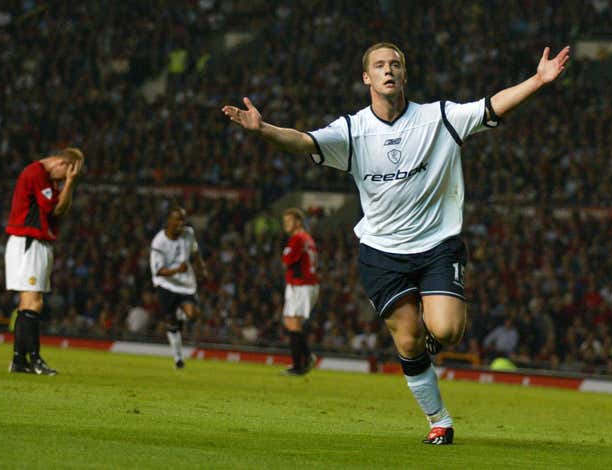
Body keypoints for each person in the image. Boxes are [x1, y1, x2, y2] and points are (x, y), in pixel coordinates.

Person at [223, 42, 570, 444]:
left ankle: (432, 337)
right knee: (407, 339)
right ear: (366, 78)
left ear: (404, 74)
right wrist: (263, 130)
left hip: (436, 246)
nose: (389, 70)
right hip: (382, 254)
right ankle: (439, 421)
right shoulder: (351, 131)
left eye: (396, 64)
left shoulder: (438, 117)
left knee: (449, 330)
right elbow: (303, 142)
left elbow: (491, 106)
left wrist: (539, 80)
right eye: (379, 65)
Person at [6, 148, 84, 375]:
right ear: (62, 163)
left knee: (27, 304)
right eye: (65, 174)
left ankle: (19, 361)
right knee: (35, 302)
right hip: (30, 242)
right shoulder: (37, 173)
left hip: (29, 243)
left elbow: (62, 209)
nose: (61, 181)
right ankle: (35, 359)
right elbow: (56, 209)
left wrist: (67, 184)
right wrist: (69, 183)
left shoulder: (45, 178)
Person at [150, 206, 208, 369]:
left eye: (183, 220)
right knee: (171, 322)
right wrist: (176, 269)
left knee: (193, 315)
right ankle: (178, 357)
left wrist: (202, 268)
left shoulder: (188, 233)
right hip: (166, 284)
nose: (181, 223)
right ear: (169, 221)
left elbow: (195, 253)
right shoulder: (159, 242)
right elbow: (159, 271)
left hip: (185, 283)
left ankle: (181, 312)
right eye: (178, 219)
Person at [280, 208, 320, 375]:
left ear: (298, 222)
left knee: (293, 324)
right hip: (304, 284)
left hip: (301, 285)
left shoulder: (297, 238)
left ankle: (300, 364)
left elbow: (287, 260)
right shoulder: (308, 238)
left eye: (289, 221)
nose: (286, 225)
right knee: (290, 323)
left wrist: (285, 254)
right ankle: (303, 359)